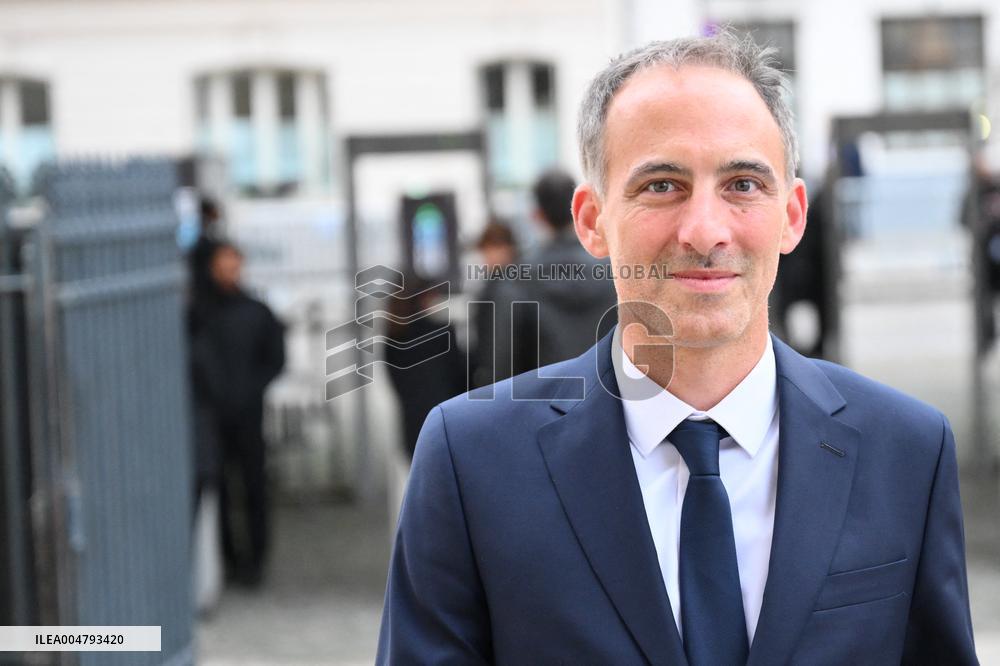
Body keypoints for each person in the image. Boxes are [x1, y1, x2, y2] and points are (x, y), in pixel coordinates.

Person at [376, 32, 978, 665]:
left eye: (743, 184)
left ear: (792, 215)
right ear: (592, 220)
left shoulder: (906, 453)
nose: (705, 231)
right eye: (662, 186)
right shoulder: (472, 461)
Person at [189, 241, 285, 587]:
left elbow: (275, 359)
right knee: (222, 489)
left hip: (247, 414)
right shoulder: (199, 312)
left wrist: (250, 389)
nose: (231, 269)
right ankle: (228, 561)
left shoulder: (255, 311)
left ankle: (255, 562)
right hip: (213, 417)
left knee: (254, 485)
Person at [494, 169, 618, 379]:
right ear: (581, 209)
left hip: (544, 402)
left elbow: (506, 359)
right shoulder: (614, 270)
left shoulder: (518, 278)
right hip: (610, 397)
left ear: (538, 215)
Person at [384, 276, 468, 460]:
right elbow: (462, 378)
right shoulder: (442, 333)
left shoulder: (392, 338)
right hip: (447, 427)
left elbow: (395, 383)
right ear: (425, 298)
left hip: (414, 431)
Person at [469, 220, 518, 388]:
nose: (488, 257)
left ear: (509, 248)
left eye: (494, 249)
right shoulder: (494, 285)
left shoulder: (505, 288)